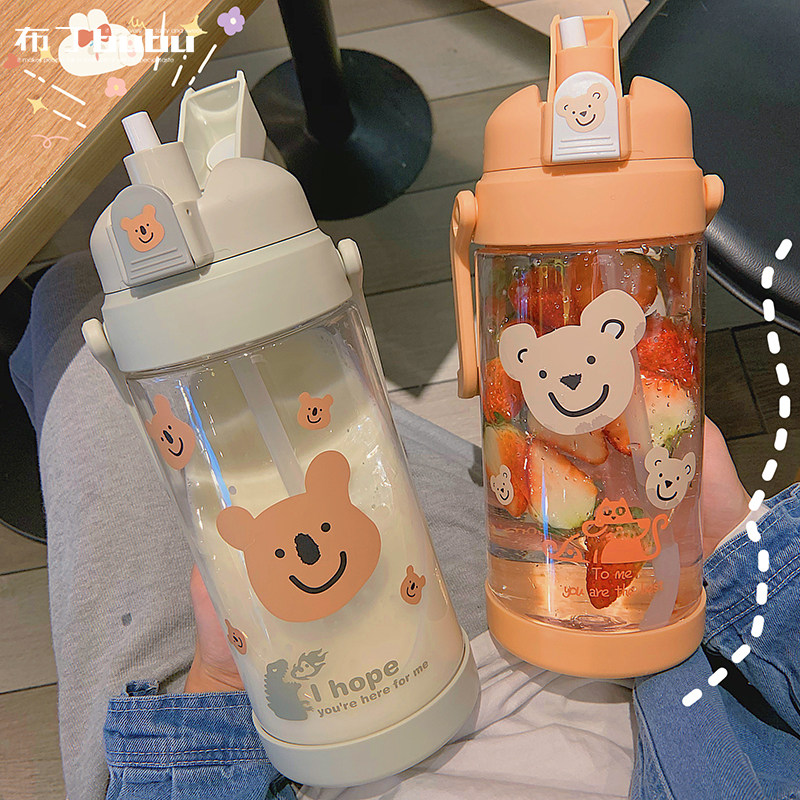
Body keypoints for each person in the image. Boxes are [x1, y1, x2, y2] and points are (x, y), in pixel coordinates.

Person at [10, 253, 800, 800]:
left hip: (303, 739)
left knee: (79, 322)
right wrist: (740, 556)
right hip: (653, 673)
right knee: (263, 376)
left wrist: (217, 687)